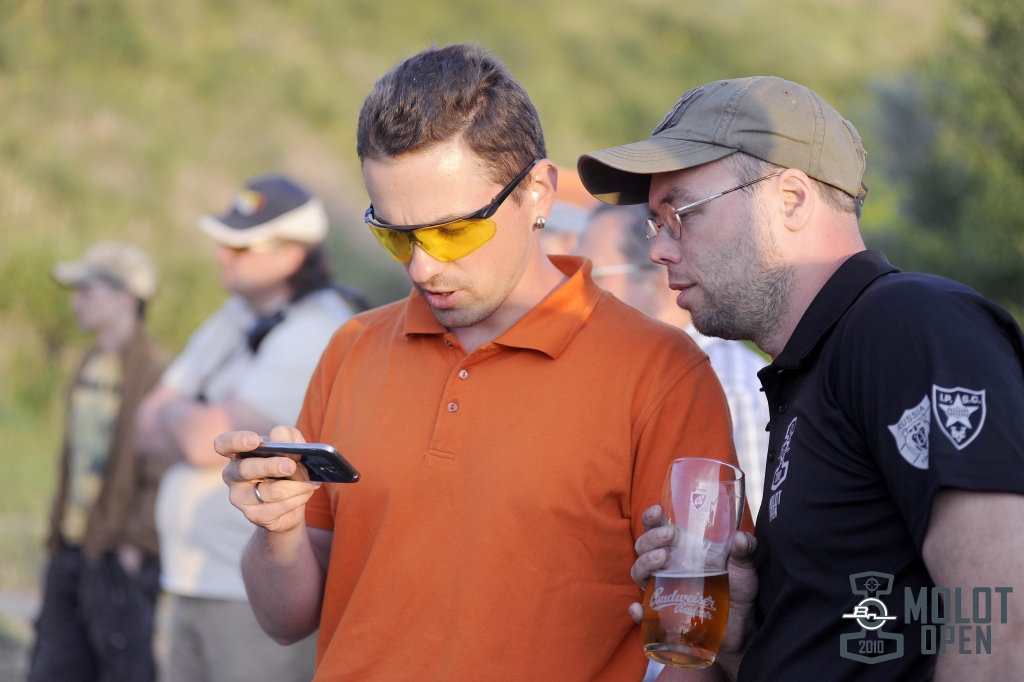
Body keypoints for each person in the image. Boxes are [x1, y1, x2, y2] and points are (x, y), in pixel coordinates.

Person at [214, 43, 750, 682]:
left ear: (538, 192)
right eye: (395, 235)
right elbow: (286, 620)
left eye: (453, 231)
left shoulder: (661, 373)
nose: (423, 266)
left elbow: (698, 647)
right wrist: (276, 530)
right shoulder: (351, 348)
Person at [578, 76, 1024, 681]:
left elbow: (1000, 622)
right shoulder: (812, 367)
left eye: (680, 214)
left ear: (790, 198)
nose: (658, 250)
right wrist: (740, 639)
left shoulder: (908, 325)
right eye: (657, 224)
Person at [134, 175, 360, 682]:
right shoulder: (235, 315)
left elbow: (201, 442)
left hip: (253, 597)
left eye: (241, 245)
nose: (223, 255)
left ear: (292, 255)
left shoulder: (315, 330)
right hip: (192, 577)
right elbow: (145, 425)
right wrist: (193, 421)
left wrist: (184, 414)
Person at [577, 204, 770, 518]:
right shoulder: (616, 373)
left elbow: (753, 533)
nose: (578, 294)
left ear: (656, 284)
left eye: (592, 277)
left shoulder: (733, 389)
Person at [31, 242, 167, 682]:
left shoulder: (156, 371)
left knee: (123, 669)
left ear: (126, 298)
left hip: (117, 553)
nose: (77, 303)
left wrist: (134, 545)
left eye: (87, 292)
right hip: (71, 546)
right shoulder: (88, 363)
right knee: (53, 667)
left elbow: (161, 468)